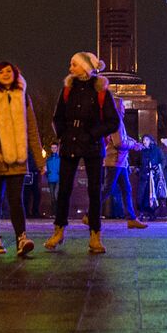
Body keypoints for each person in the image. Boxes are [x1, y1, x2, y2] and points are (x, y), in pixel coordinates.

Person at [48, 52, 120, 254]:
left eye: (74, 64)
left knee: (94, 191)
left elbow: (113, 121)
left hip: (92, 145)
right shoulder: (67, 89)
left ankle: (95, 234)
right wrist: (63, 134)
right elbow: (57, 117)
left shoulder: (101, 90)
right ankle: (59, 230)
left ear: (85, 67)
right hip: (70, 142)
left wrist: (92, 134)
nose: (70, 68)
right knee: (64, 190)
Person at [0, 62, 45, 256]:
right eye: (1, 71)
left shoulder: (24, 99)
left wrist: (39, 161)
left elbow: (32, 130)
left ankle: (21, 239)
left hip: (17, 158)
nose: (5, 74)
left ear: (15, 74)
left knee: (16, 200)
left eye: (9, 71)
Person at [91, 96, 146, 229]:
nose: (124, 109)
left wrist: (134, 143)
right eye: (122, 106)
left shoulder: (116, 121)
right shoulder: (116, 122)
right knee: (107, 190)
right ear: (116, 108)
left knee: (126, 189)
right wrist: (133, 145)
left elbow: (124, 138)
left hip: (119, 162)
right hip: (114, 162)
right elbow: (119, 143)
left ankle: (131, 218)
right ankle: (90, 215)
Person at [138, 134, 167, 221]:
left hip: (153, 176)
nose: (144, 142)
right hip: (143, 176)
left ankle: (152, 213)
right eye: (143, 140)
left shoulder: (157, 150)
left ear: (150, 141)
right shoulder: (142, 151)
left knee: (152, 195)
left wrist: (158, 167)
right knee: (141, 195)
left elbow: (163, 160)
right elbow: (138, 162)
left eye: (146, 140)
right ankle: (142, 213)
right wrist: (138, 169)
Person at [44, 142, 60, 213]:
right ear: (51, 149)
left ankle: (57, 212)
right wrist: (47, 174)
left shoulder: (60, 159)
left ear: (57, 148)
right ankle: (54, 212)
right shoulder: (48, 159)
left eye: (55, 148)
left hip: (58, 179)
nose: (53, 149)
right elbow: (46, 169)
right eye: (52, 148)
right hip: (50, 179)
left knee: (56, 195)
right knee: (52, 196)